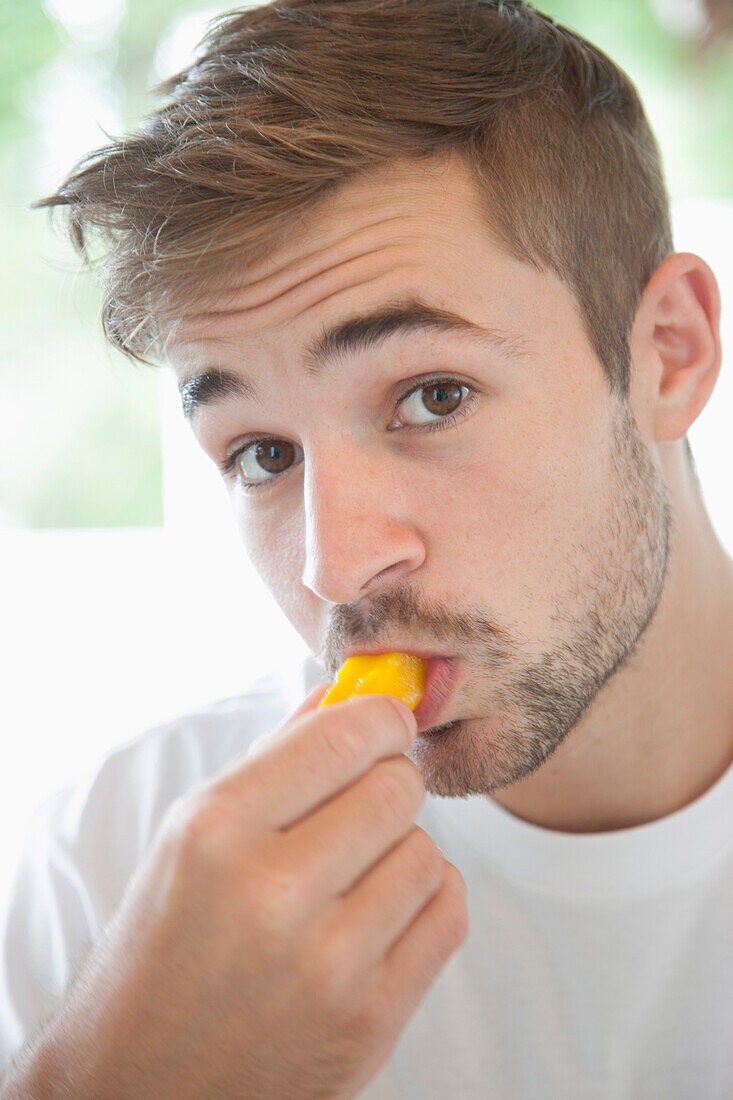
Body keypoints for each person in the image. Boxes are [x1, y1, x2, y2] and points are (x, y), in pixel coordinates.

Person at [2, 0, 732, 1095]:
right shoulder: (118, 870)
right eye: (260, 453)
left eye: (432, 397)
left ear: (668, 354)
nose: (333, 567)